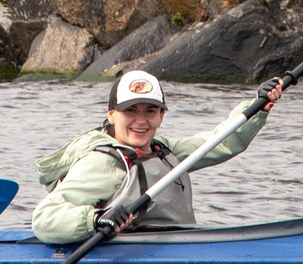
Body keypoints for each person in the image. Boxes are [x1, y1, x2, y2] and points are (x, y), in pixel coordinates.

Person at [29, 69, 285, 245]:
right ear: (111, 116)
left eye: (150, 110)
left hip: (179, 245)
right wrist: (95, 219)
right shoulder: (102, 163)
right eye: (130, 110)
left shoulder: (165, 151)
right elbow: (44, 218)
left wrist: (256, 107)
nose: (141, 121)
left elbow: (223, 141)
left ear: (162, 116)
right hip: (131, 257)